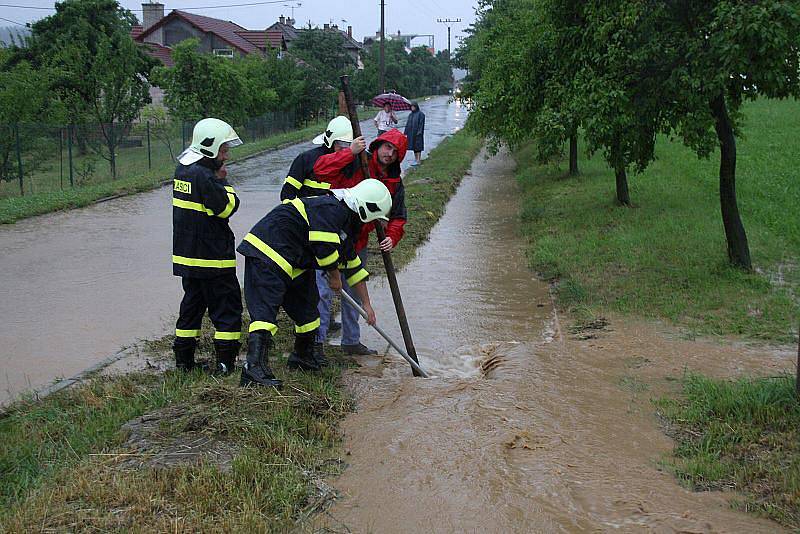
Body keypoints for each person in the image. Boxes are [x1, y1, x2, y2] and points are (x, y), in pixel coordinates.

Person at [236, 179, 392, 388]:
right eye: (374, 219)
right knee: (265, 313)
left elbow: (353, 267)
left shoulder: (345, 224)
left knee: (308, 311)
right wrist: (335, 277)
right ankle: (253, 369)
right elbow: (324, 248)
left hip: (294, 262)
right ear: (366, 207)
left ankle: (302, 357)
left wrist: (367, 305)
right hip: (268, 254)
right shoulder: (331, 209)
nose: (372, 225)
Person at [313, 129, 408, 357]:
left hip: (358, 241)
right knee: (322, 291)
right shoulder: (356, 162)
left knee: (353, 290)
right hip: (330, 234)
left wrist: (391, 237)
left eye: (395, 151)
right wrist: (349, 153)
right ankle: (316, 342)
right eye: (387, 147)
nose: (389, 154)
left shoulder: (394, 183)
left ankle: (351, 341)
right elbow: (320, 169)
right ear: (378, 146)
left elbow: (398, 217)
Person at [172, 118, 243, 375]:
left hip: (188, 259)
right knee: (227, 310)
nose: (226, 156)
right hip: (214, 260)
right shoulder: (206, 177)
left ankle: (184, 362)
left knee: (191, 308)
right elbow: (227, 208)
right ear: (210, 149)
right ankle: (225, 365)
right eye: (223, 151)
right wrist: (224, 182)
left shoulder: (183, 169)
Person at [280, 116, 362, 201]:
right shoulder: (306, 159)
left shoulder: (358, 162)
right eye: (341, 143)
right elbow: (287, 194)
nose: (344, 148)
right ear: (330, 141)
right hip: (310, 212)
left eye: (349, 144)